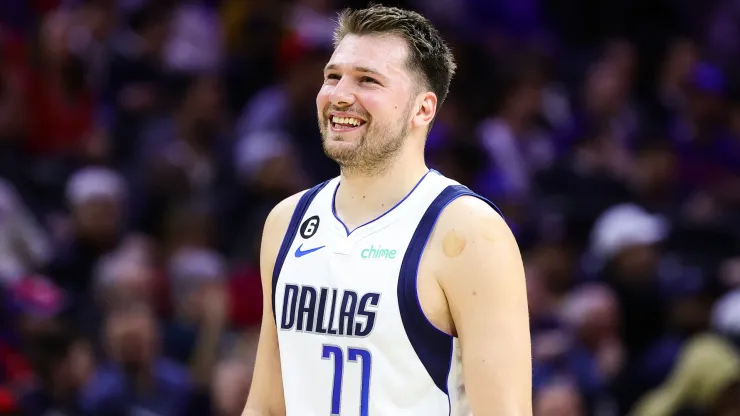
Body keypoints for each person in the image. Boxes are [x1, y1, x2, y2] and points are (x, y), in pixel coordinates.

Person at [243, 5, 531, 416]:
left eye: (367, 80)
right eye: (333, 76)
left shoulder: (468, 230)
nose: (340, 95)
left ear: (423, 109)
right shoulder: (286, 221)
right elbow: (267, 405)